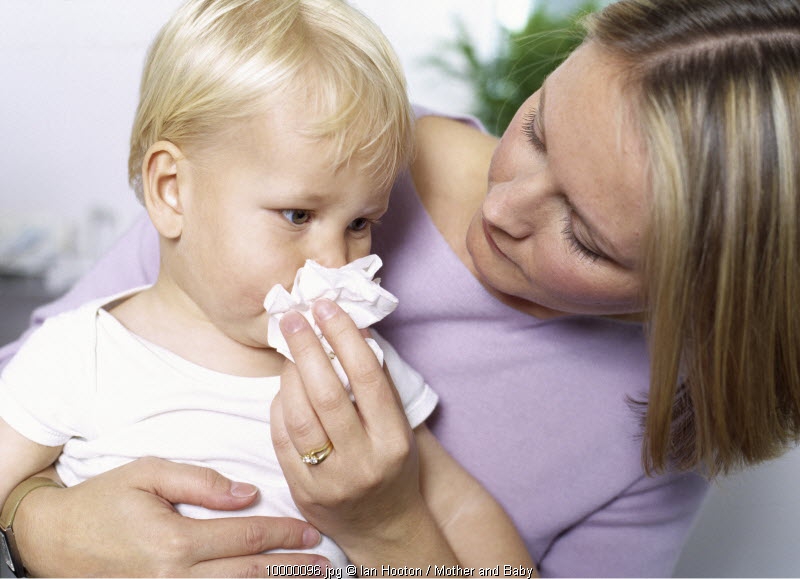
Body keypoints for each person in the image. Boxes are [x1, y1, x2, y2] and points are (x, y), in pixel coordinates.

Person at [3, 0, 799, 575]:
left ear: (699, 294)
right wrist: (36, 527)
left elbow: (461, 518)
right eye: (538, 129)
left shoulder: (655, 424)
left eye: (585, 237)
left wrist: (390, 527)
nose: (502, 203)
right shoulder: (311, 135)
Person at [0, 0, 536, 575]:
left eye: (360, 223)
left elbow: (456, 510)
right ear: (171, 191)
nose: (334, 260)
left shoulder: (355, 368)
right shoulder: (80, 355)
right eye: (298, 215)